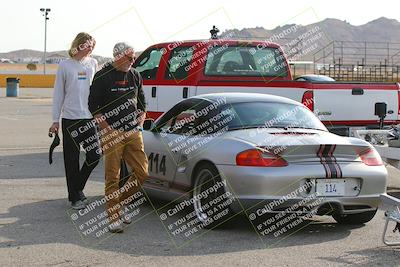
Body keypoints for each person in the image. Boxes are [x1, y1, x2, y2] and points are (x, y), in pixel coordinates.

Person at [88, 42, 148, 233]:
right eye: (129, 57)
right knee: (113, 177)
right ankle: (114, 218)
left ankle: (119, 204)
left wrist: (139, 124)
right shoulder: (102, 76)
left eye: (134, 57)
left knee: (142, 173)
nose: (133, 61)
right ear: (117, 57)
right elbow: (94, 108)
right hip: (112, 132)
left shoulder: (135, 75)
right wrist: (108, 129)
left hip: (133, 131)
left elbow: (142, 105)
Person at [49, 32, 101, 210]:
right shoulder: (65, 65)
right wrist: (55, 120)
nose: (90, 47)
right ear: (79, 44)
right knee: (71, 160)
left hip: (89, 118)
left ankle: (76, 189)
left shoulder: (93, 63)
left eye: (93, 45)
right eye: (87, 44)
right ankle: (75, 198)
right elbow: (58, 94)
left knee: (94, 155)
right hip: (70, 119)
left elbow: (96, 91)